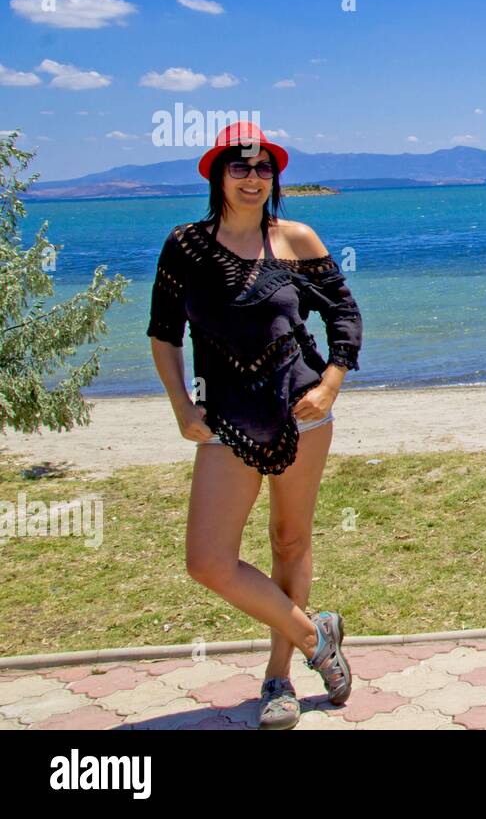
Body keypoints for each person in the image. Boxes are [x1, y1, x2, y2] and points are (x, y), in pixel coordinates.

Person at [147, 121, 362, 729]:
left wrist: (330, 384)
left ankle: (280, 678)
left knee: (289, 541)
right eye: (239, 166)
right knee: (208, 561)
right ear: (217, 173)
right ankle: (316, 634)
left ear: (276, 177)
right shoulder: (185, 246)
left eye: (264, 167)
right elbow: (165, 335)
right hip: (223, 421)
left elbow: (344, 314)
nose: (252, 177)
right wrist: (182, 408)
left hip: (301, 415)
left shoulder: (296, 239)